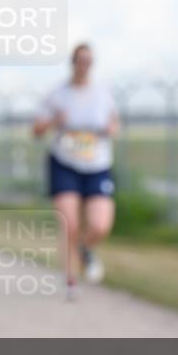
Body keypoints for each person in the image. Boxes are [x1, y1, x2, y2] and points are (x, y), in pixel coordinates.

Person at [33, 43, 118, 301]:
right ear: (72, 62)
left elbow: (115, 122)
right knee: (69, 223)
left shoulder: (103, 93)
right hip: (64, 163)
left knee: (100, 225)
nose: (84, 65)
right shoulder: (58, 94)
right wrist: (54, 122)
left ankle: (84, 248)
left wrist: (110, 129)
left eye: (88, 61)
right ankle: (70, 280)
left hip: (97, 165)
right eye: (80, 60)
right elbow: (36, 130)